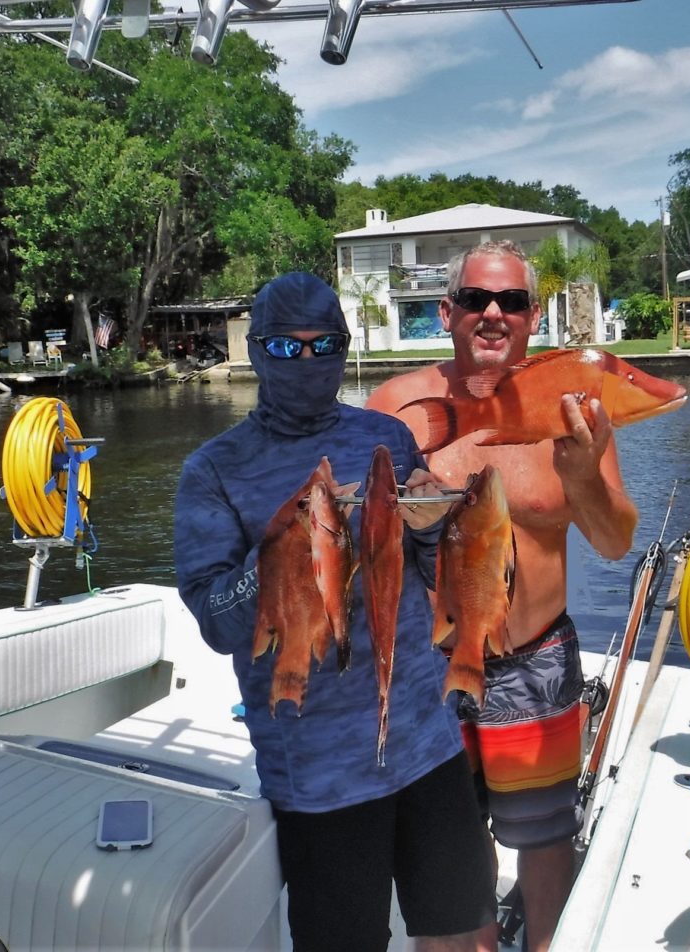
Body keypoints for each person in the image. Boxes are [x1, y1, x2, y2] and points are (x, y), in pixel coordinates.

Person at [173, 271, 495, 952]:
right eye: (288, 349)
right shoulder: (214, 470)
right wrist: (286, 553)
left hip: (424, 736)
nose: (309, 362)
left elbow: (423, 565)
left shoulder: (386, 438)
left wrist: (435, 522)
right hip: (319, 772)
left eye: (326, 346)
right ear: (256, 351)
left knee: (464, 930)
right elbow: (214, 620)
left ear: (346, 349)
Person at [365, 240, 638, 952]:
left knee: (545, 843)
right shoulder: (397, 407)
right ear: (447, 311)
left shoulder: (575, 403)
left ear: (532, 315)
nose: (494, 314)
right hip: (430, 664)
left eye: (511, 301)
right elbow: (358, 544)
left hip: (536, 661)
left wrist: (581, 474)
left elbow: (613, 541)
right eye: (477, 300)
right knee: (442, 849)